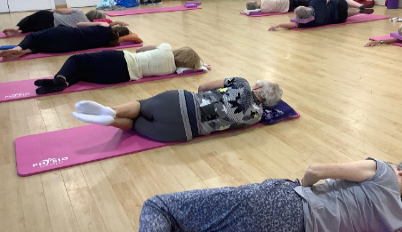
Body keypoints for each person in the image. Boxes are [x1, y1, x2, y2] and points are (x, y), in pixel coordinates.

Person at [135, 158, 402, 232]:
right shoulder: (399, 221)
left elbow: (315, 170)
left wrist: (299, 187)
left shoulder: (383, 171)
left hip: (280, 205)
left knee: (158, 207)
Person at [72, 77, 283, 142]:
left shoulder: (242, 83)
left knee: (140, 105)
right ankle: (110, 121)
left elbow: (202, 87)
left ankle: (109, 110)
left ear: (257, 87)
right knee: (135, 125)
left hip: (182, 101)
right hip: (185, 131)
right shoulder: (257, 116)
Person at [34, 44, 206, 94]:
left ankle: (61, 77)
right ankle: (64, 84)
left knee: (76, 60)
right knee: (81, 75)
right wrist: (200, 66)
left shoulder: (166, 48)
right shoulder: (171, 70)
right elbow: (192, 69)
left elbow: (140, 50)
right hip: (122, 76)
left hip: (121, 59)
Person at [0, 22, 132, 60]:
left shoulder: (105, 27)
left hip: (67, 34)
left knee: (33, 37)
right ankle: (26, 51)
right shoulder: (110, 42)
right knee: (39, 45)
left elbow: (80, 24)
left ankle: (17, 49)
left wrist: (113, 22)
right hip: (65, 47)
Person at [268, 0, 375, 31]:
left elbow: (292, 25)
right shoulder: (314, 2)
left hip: (340, 18)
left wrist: (277, 25)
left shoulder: (308, 23)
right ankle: (359, 6)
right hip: (339, 5)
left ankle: (358, 11)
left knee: (345, 14)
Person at [2, 8, 128, 36]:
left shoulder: (79, 12)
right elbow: (104, 25)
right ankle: (20, 30)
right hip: (51, 26)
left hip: (49, 16)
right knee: (34, 28)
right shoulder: (87, 25)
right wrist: (117, 22)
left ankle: (17, 27)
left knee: (29, 19)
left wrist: (54, 10)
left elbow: (60, 10)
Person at [246, 0, 312, 14]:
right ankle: (311, 1)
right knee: (298, 1)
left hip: (287, 9)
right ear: (255, 2)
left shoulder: (263, 10)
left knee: (298, 5)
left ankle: (309, 3)